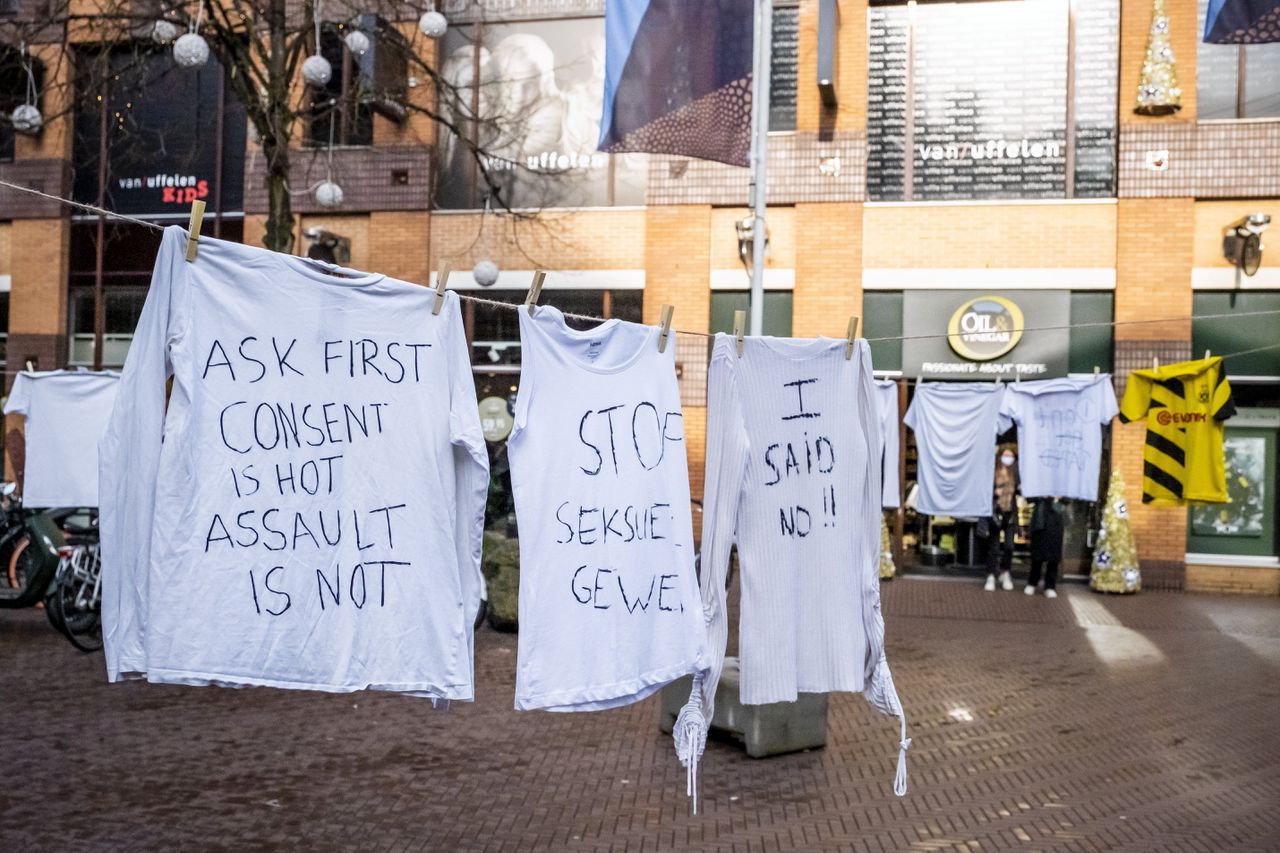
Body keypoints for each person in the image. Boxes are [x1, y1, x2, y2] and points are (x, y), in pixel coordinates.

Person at [983, 446, 1019, 591]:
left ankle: (1005, 572)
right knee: (994, 547)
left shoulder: (1016, 473)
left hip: (1010, 513)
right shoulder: (992, 471)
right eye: (1006, 455)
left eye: (1011, 455)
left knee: (1009, 546)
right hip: (996, 512)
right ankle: (991, 575)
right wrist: (993, 492)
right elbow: (983, 488)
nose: (1008, 458)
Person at [1026, 497, 1065, 598]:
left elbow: (1068, 499)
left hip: (1056, 521)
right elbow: (1029, 497)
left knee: (1053, 556)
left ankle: (1050, 586)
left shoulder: (1063, 482)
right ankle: (1032, 582)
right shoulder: (1038, 482)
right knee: (1037, 555)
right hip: (1040, 521)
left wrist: (1059, 498)